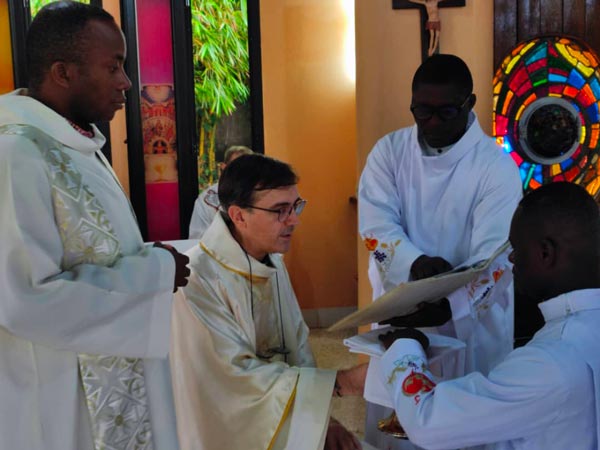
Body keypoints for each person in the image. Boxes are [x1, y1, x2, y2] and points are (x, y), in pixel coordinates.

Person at [0, 2, 190, 449]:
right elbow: (23, 300)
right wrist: (155, 272)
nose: (126, 82)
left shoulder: (75, 145)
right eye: (114, 66)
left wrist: (151, 261)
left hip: (107, 380)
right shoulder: (16, 155)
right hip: (59, 396)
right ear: (63, 73)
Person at [358, 54, 522, 448]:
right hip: (402, 308)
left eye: (445, 112)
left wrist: (450, 305)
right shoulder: (389, 152)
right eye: (421, 111)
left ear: (469, 104)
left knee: (463, 428)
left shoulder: (495, 167)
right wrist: (415, 263)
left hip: (470, 325)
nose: (431, 123)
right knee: (395, 430)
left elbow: (496, 254)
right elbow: (376, 225)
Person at [378, 181, 600, 450]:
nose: (512, 259)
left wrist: (403, 348)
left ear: (545, 253)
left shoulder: (551, 362)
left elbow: (427, 421)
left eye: (516, 248)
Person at [170, 154, 366, 450]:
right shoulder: (195, 279)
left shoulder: (271, 262)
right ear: (239, 216)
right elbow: (232, 380)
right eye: (279, 211)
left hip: (280, 417)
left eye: (296, 206)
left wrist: (323, 423)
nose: (294, 220)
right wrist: (343, 382)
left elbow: (298, 348)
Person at [189, 145, 253, 239]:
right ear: (224, 167)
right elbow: (198, 237)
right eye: (236, 167)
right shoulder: (207, 200)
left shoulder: (261, 195)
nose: (242, 172)